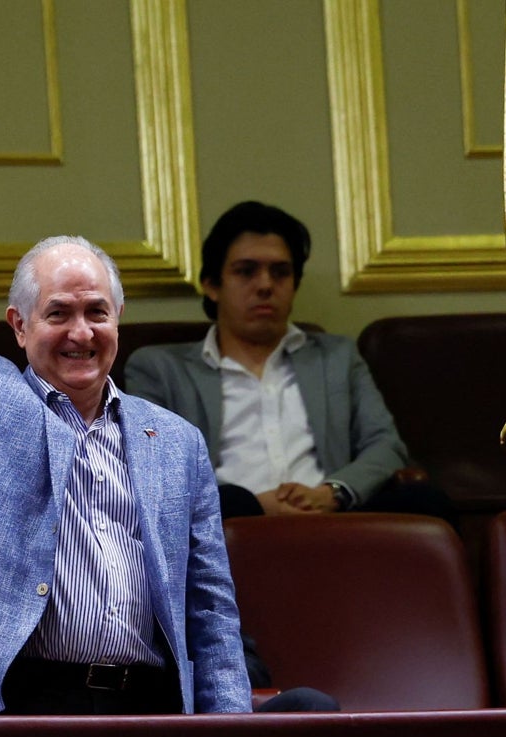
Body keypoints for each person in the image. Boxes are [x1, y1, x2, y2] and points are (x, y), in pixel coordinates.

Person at [0, 140, 251, 737]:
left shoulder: (176, 441)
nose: (80, 332)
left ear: (118, 321)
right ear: (19, 326)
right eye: (58, 313)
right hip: (20, 710)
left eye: (96, 312)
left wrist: (229, 730)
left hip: (150, 718)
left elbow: (211, 611)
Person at [125, 201, 453, 523]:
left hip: (330, 516)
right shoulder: (159, 368)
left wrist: (332, 493)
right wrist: (255, 505)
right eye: (246, 271)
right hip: (227, 522)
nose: (266, 285)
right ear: (212, 286)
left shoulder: (337, 357)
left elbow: (384, 445)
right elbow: (159, 464)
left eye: (280, 272)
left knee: (426, 502)